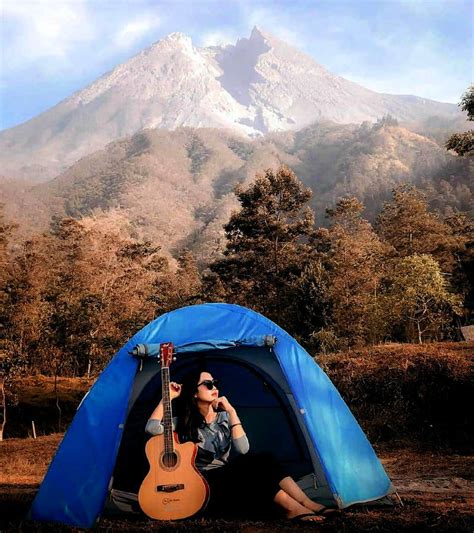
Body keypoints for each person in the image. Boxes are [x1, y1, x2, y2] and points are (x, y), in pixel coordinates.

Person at [145, 368, 335, 522]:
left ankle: (306, 502)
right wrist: (167, 398)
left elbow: (242, 449)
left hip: (226, 475)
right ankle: (292, 508)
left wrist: (232, 411)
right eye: (208, 384)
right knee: (247, 466)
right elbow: (152, 429)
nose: (214, 387)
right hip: (200, 483)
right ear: (194, 393)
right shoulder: (183, 422)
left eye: (215, 383)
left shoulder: (224, 417)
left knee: (264, 459)